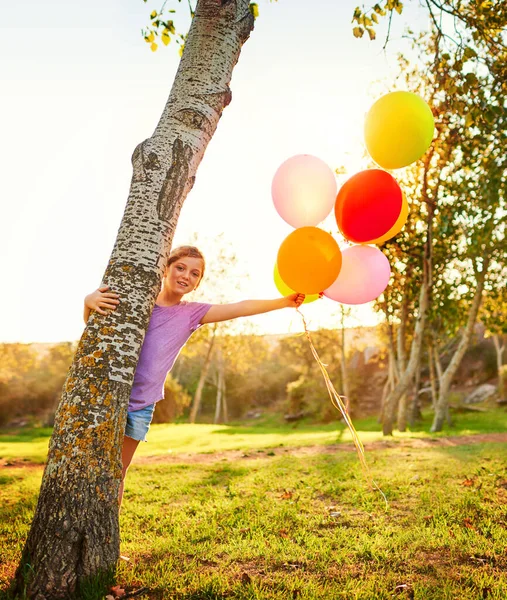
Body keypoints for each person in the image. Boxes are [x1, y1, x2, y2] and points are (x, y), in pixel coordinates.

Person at [84, 245, 305, 506]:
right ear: (165, 269)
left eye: (195, 273)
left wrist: (283, 302)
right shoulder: (137, 300)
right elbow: (94, 327)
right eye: (180, 267)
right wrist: (88, 302)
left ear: (198, 282)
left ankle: (108, 542)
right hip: (108, 396)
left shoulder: (192, 313)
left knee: (117, 473)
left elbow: (240, 307)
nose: (186, 276)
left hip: (141, 404)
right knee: (89, 467)